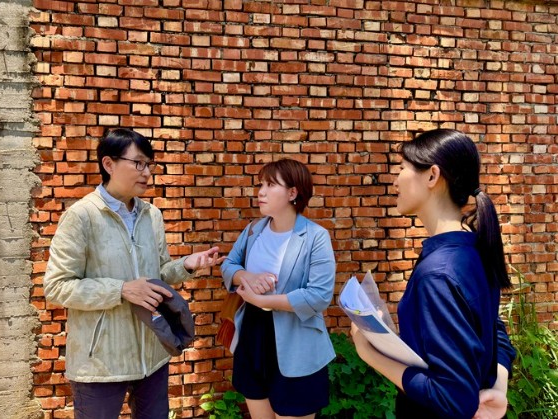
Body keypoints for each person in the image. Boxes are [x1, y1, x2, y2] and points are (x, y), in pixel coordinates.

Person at [43, 128, 224, 419]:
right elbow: (57, 287)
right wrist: (121, 290)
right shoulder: (81, 216)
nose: (147, 172)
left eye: (149, 164)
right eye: (138, 163)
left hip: (152, 355)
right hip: (100, 363)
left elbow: (158, 275)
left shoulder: (151, 215)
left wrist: (187, 265)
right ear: (108, 164)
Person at [351, 129, 516, 419]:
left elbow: (452, 398)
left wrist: (370, 354)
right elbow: (494, 330)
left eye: (402, 168)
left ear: (432, 176)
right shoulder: (472, 248)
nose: (395, 181)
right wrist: (498, 387)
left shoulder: (438, 273)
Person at [221, 159, 336, 419]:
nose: (260, 192)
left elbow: (319, 296)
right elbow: (229, 265)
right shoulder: (254, 230)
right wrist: (247, 276)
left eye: (270, 185)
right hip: (252, 337)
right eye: (261, 184)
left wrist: (264, 300)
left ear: (292, 193)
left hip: (297, 343)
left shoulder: (316, 237)